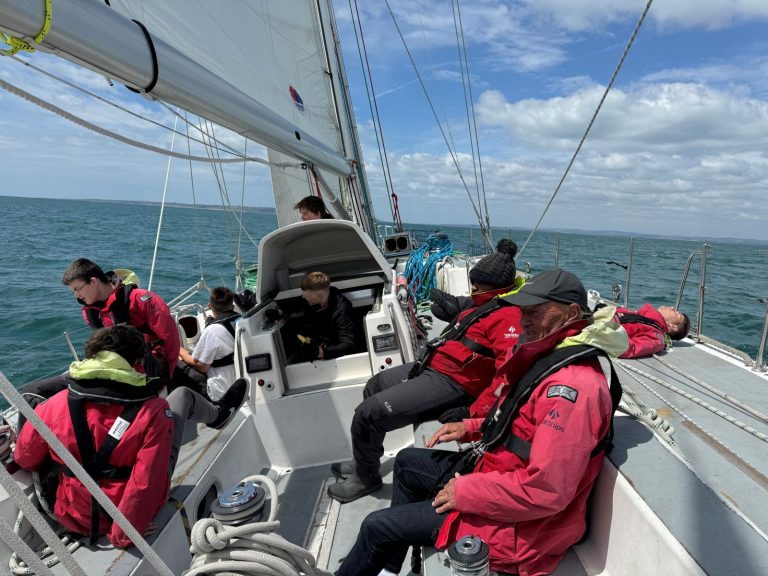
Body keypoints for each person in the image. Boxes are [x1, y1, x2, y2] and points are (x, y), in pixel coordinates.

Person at [333, 269, 626, 576]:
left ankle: (380, 553)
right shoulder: (551, 354)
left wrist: (465, 493)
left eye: (535, 313)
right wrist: (471, 427)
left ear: (572, 313)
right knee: (406, 463)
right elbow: (519, 420)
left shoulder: (572, 389)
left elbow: (548, 491)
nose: (524, 321)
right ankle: (386, 568)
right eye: (523, 311)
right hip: (498, 474)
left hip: (525, 531)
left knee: (376, 526)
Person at [328, 239, 523, 503]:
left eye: (480, 284)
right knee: (374, 385)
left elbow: (506, 376)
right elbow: (475, 311)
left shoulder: (509, 317)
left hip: (453, 384)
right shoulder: (485, 302)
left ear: (501, 288)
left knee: (368, 413)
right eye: (473, 281)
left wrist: (473, 413)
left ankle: (366, 478)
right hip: (432, 367)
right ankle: (363, 459)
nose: (474, 287)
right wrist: (459, 305)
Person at [14, 324, 174, 548]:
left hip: (73, 514)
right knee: (181, 402)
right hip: (121, 517)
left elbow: (25, 458)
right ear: (137, 362)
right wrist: (124, 534)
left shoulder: (53, 405)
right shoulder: (155, 411)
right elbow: (146, 480)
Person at [21, 259, 180, 402]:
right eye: (73, 292)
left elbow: (170, 341)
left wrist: (166, 380)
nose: (77, 296)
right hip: (112, 369)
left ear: (93, 281)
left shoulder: (142, 300)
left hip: (146, 371)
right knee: (33, 392)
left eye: (77, 289)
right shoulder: (91, 312)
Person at [271, 271, 356, 363]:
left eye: (306, 295)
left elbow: (347, 344)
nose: (304, 297)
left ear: (320, 295)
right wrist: (280, 312)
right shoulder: (314, 299)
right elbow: (298, 303)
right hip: (313, 341)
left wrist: (321, 352)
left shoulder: (342, 312)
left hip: (331, 354)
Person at [176, 287, 240, 402]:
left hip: (220, 392)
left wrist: (178, 349)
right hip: (241, 383)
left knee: (178, 366)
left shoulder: (212, 331)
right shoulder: (242, 320)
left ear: (210, 306)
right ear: (232, 306)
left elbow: (201, 367)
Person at [614, 303, 690, 358]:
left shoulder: (656, 336)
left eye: (677, 314)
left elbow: (629, 348)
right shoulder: (639, 314)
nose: (672, 308)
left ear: (673, 326)